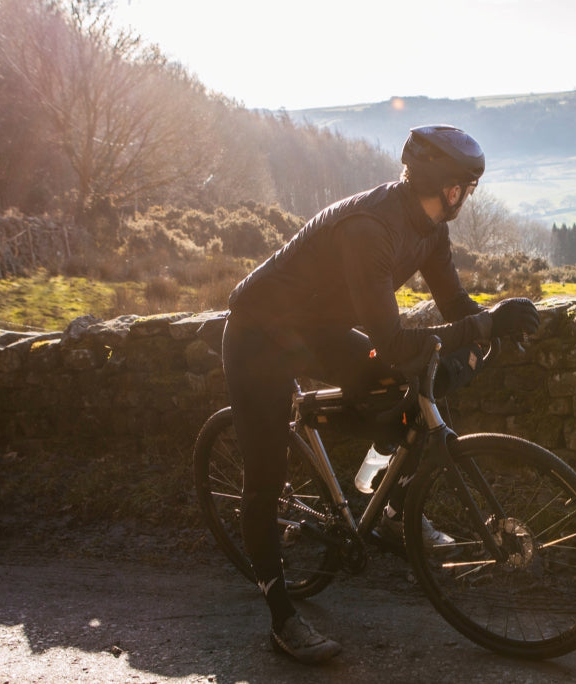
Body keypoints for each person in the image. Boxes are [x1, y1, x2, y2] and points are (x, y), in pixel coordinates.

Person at [222, 124, 540, 665]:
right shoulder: (371, 229)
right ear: (445, 184)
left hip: (317, 330)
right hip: (260, 335)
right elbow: (391, 341)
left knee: (404, 396)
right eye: (466, 184)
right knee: (266, 473)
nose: (469, 194)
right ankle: (281, 616)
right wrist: (482, 329)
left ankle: (387, 507)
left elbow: (454, 302)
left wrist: (497, 320)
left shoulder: (430, 227)